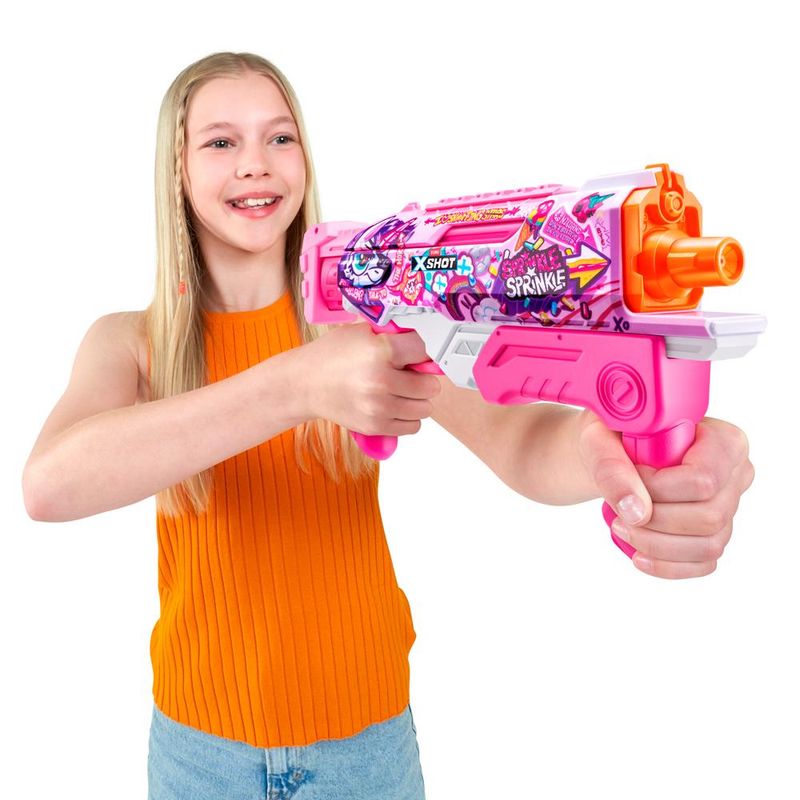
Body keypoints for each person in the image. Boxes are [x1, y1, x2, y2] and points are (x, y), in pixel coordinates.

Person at [21, 51, 755, 800]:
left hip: (366, 753)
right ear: (176, 170)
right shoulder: (129, 342)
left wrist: (616, 451)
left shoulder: (374, 318)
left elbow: (521, 441)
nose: (256, 163)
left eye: (280, 137)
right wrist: (295, 384)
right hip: (198, 757)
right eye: (220, 141)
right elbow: (50, 486)